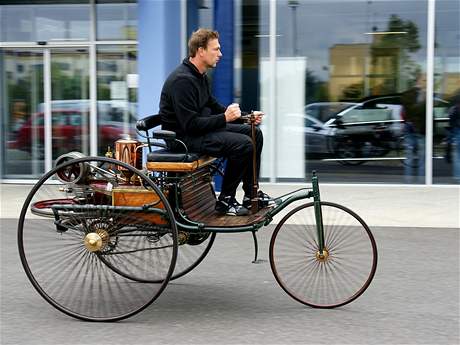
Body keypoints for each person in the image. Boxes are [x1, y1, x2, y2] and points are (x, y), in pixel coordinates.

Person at [159, 28, 269, 216]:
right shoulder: (182, 81)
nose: (220, 54)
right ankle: (226, 200)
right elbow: (190, 125)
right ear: (201, 50)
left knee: (254, 132)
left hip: (197, 131)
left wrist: (245, 116)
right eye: (215, 49)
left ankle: (251, 194)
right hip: (183, 138)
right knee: (242, 145)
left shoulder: (198, 75)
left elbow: (213, 105)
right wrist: (225, 118)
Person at [401, 75, 426, 182]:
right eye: (424, 80)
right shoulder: (409, 94)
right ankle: (410, 181)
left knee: (421, 156)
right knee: (413, 156)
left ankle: (421, 181)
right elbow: (411, 110)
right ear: (418, 81)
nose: (426, 82)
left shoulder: (424, 94)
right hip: (414, 128)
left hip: (419, 128)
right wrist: (424, 99)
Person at [448, 97, 460, 182]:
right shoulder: (454, 109)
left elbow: (451, 122)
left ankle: (457, 176)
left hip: (456, 133)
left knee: (457, 156)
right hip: (457, 133)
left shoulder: (453, 109)